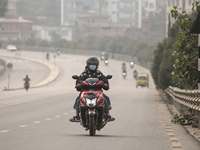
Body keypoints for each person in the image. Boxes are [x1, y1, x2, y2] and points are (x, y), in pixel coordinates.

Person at [70, 57, 115, 122]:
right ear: (87, 65)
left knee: (106, 98)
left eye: (94, 64)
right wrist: (78, 84)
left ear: (97, 65)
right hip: (85, 91)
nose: (92, 66)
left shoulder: (99, 73)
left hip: (97, 92)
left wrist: (105, 84)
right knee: (78, 99)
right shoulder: (84, 73)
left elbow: (104, 80)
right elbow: (79, 80)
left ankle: (108, 115)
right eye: (91, 64)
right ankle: (77, 115)